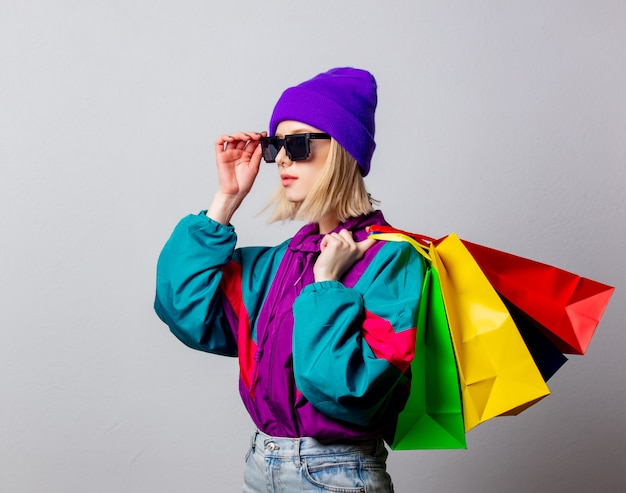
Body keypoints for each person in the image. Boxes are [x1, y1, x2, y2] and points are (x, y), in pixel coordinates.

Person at [154, 67, 424, 492]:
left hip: (338, 474)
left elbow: (349, 393)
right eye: (275, 145)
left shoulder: (390, 260)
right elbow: (186, 312)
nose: (280, 158)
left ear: (341, 150)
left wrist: (325, 288)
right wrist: (225, 200)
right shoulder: (280, 263)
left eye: (297, 145)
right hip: (262, 466)